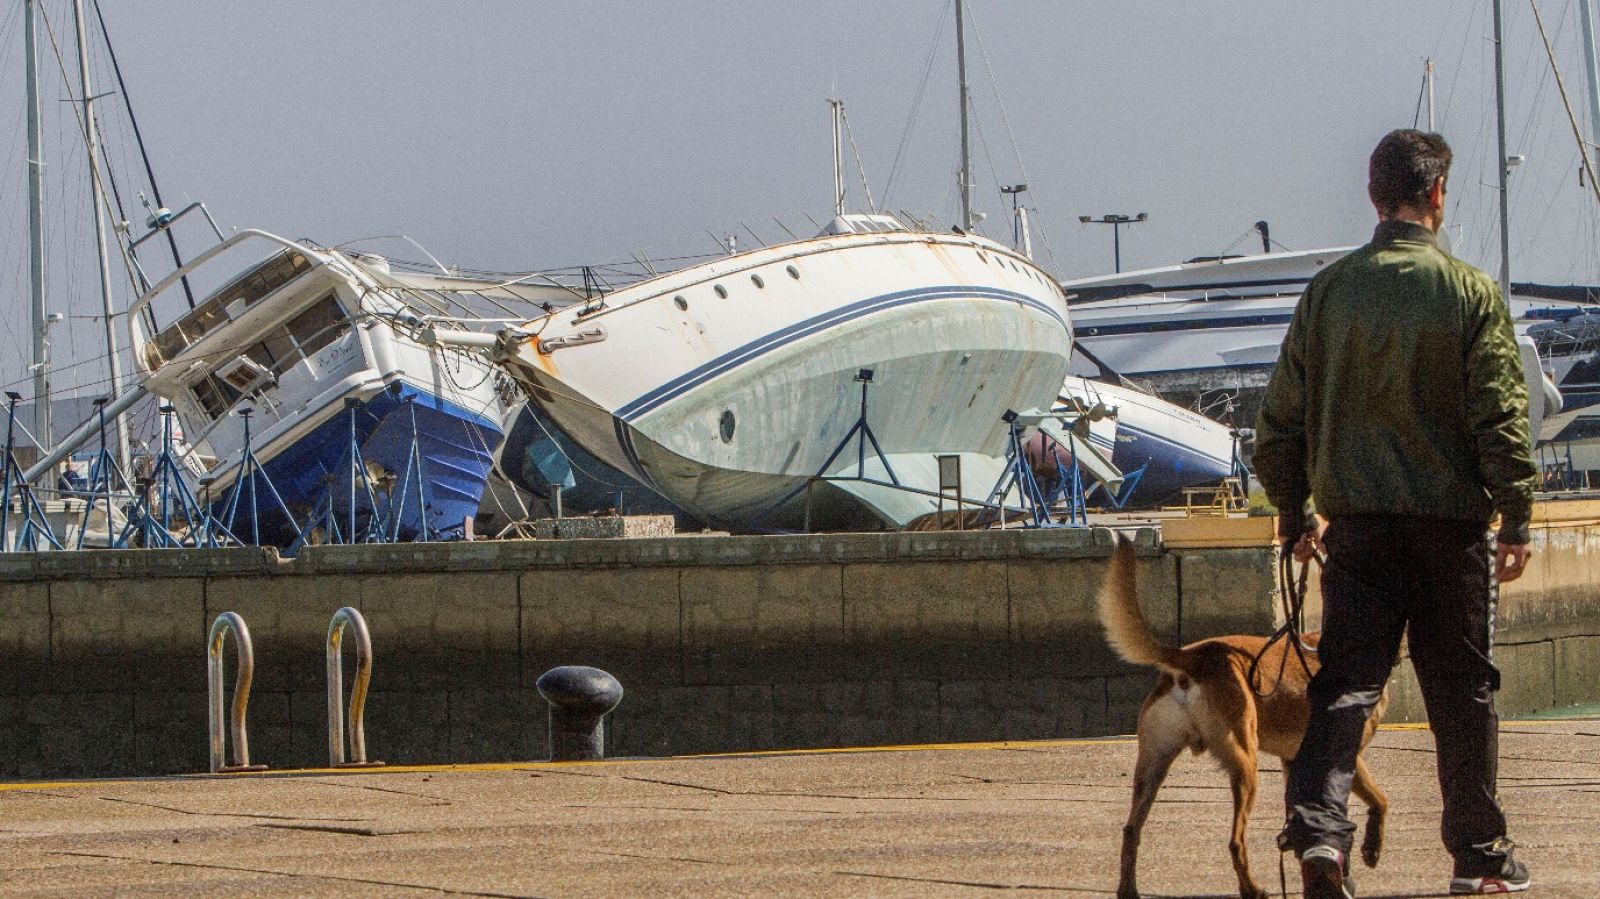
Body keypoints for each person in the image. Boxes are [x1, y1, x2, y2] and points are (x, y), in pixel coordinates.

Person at [1254, 129, 1537, 898]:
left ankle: (1319, 835)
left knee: (1344, 685)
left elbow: (1278, 423)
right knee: (1463, 693)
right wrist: (1515, 515)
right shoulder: (1470, 292)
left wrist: (1293, 510)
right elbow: (1500, 418)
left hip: (1359, 533)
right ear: (1438, 193)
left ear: (1373, 195)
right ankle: (1478, 855)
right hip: (1451, 533)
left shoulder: (1329, 293)